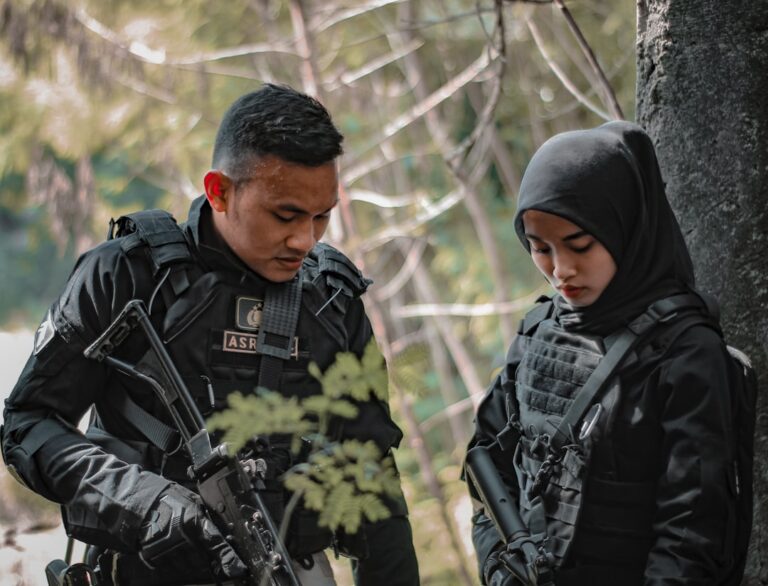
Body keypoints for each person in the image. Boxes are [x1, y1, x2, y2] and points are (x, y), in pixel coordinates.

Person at [1, 84, 419, 586]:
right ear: (220, 191)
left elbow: (374, 479)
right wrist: (143, 502)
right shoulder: (127, 276)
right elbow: (28, 424)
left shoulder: (331, 300)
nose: (305, 240)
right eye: (285, 215)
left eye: (321, 216)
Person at [466, 121, 748, 585]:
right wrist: (500, 566)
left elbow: (691, 531)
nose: (561, 270)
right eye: (539, 249)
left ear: (625, 228)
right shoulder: (539, 330)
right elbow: (487, 466)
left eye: (580, 245)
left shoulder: (687, 353)